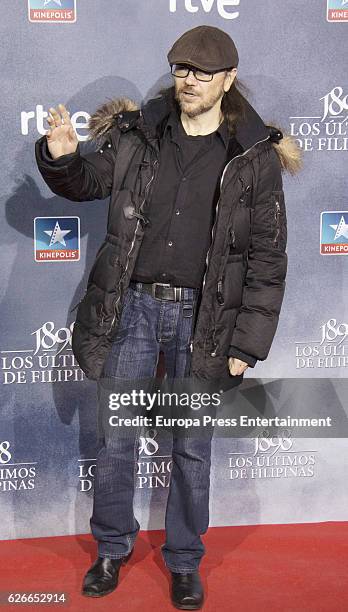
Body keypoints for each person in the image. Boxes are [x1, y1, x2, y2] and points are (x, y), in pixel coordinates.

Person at [35, 25, 301, 610]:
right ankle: (112, 547)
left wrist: (247, 342)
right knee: (116, 437)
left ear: (228, 80)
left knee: (192, 445)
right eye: (182, 69)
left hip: (203, 320)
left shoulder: (253, 159)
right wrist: (60, 158)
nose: (189, 82)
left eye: (203, 73)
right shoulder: (138, 136)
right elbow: (88, 181)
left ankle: (184, 560)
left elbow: (267, 258)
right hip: (131, 307)